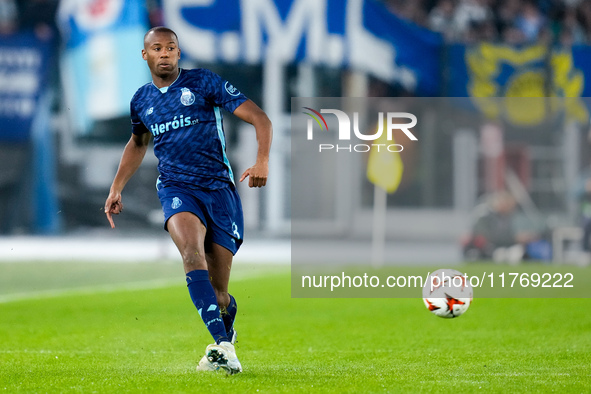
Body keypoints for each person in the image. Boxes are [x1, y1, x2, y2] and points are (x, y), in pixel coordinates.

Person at [103, 26, 272, 375]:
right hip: (177, 189)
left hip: (219, 191)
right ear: (145, 55)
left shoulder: (204, 83)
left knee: (220, 295)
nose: (164, 54)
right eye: (157, 48)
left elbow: (260, 118)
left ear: (179, 53)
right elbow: (138, 142)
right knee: (190, 254)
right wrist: (116, 186)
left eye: (171, 48)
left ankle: (223, 336)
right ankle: (224, 346)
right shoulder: (142, 100)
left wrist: (263, 160)